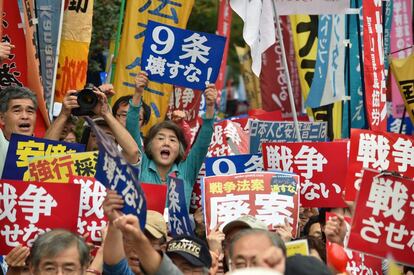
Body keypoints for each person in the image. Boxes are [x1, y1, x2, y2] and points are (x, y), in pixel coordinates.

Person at [126, 71, 217, 209]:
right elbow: (132, 130)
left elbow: (202, 143)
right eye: (161, 138)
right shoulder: (142, 165)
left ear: (179, 149)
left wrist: (210, 107)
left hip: (177, 231)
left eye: (173, 140)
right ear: (149, 146)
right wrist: (138, 92)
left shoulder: (187, 170)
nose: (166, 143)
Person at [45, 87, 139, 165]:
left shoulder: (119, 166)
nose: (101, 141)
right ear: (86, 138)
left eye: (108, 136)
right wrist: (64, 114)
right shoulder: (70, 159)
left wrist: (106, 113)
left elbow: (133, 152)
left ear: (116, 143)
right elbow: (44, 152)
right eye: (95, 135)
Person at [0, 86, 38, 177]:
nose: (25, 116)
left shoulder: (42, 148)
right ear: (2, 118)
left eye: (30, 111)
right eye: (17, 111)